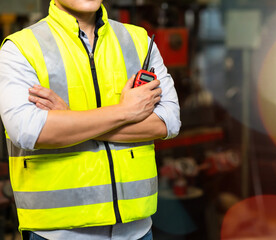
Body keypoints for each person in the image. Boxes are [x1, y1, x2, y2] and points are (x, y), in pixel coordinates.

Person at [0, 0, 181, 239]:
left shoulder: (139, 41)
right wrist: (125, 112)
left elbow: (168, 122)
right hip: (57, 233)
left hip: (137, 230)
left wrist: (68, 120)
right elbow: (29, 131)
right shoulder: (20, 48)